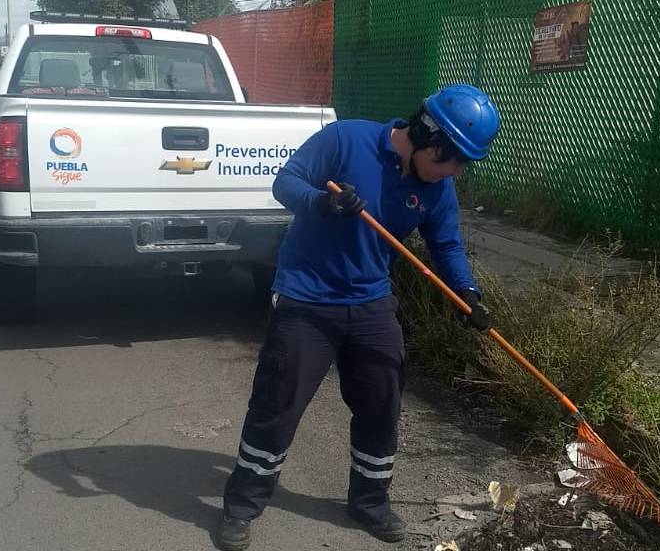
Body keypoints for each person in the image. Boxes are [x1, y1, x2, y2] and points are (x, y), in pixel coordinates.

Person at [215, 84, 501, 551]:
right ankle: (241, 506)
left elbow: (446, 244)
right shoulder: (346, 139)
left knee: (381, 403)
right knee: (277, 405)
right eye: (454, 161)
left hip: (371, 301)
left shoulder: (436, 187)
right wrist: (321, 203)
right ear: (430, 139)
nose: (456, 171)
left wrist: (467, 293)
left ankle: (369, 502)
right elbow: (286, 181)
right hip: (306, 296)